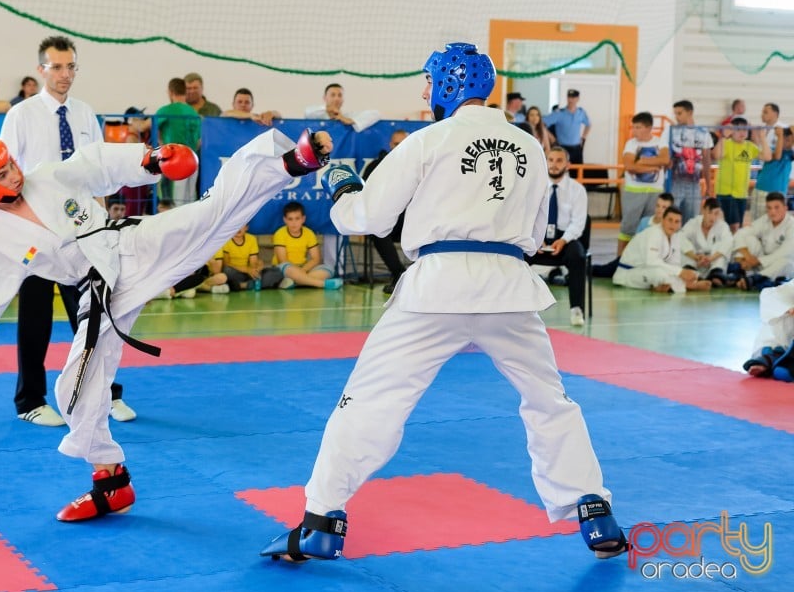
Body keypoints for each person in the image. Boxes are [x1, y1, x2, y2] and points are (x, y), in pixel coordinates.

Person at [259, 42, 627, 563]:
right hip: (509, 287)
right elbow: (532, 230)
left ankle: (321, 520)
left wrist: (342, 187)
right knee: (549, 399)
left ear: (450, 84)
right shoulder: (530, 149)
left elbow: (369, 218)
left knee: (369, 400)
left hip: (438, 287)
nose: (426, 94)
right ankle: (593, 508)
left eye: (429, 84)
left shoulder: (430, 140)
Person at [0, 128, 333, 522]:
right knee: (73, 388)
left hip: (128, 245)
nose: (14, 174)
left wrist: (150, 159)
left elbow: (95, 163)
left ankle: (287, 162)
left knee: (206, 216)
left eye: (10, 164)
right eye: (3, 174)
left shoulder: (47, 176)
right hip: (100, 292)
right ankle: (112, 485)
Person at [0, 35, 131, 426]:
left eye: (71, 66)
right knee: (35, 321)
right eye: (57, 67)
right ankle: (30, 401)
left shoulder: (86, 114)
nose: (65, 74)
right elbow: (3, 175)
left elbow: (98, 172)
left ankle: (104, 394)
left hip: (82, 233)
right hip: (38, 235)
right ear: (41, 69)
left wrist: (104, 224)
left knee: (94, 319)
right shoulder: (21, 115)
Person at [525, 146, 589, 326]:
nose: (554, 164)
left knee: (578, 256)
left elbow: (578, 223)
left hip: (566, 238)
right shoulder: (535, 186)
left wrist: (564, 240)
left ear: (568, 164)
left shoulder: (577, 190)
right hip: (539, 236)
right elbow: (527, 215)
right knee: (517, 253)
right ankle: (521, 309)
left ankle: (576, 309)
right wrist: (536, 236)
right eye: (551, 160)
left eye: (559, 160)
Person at [613, 206, 711, 293]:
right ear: (663, 220)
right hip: (629, 273)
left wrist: (682, 273)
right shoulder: (654, 233)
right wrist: (680, 273)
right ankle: (689, 285)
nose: (673, 224)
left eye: (677, 222)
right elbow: (652, 262)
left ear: (680, 224)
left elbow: (674, 264)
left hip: (648, 269)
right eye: (670, 220)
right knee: (659, 274)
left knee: (680, 273)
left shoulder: (675, 236)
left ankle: (666, 286)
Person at [361, 130, 409, 294]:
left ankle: (421, 278)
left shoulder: (419, 165)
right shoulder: (375, 166)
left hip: (412, 220)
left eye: (403, 143)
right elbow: (364, 193)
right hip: (386, 219)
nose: (400, 147)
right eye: (396, 144)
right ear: (390, 145)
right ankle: (399, 274)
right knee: (377, 231)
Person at [617, 111, 670, 256]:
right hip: (634, 191)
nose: (635, 131)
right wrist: (653, 167)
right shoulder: (631, 143)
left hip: (655, 191)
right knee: (628, 227)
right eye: (634, 127)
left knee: (651, 226)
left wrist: (641, 161)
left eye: (638, 127)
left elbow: (665, 160)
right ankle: (620, 260)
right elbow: (630, 166)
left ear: (648, 128)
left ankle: (646, 258)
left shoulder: (660, 142)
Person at [713, 118, 770, 232]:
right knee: (734, 225)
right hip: (726, 191)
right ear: (731, 131)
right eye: (738, 129)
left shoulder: (749, 146)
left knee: (738, 226)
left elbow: (767, 157)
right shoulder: (727, 143)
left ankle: (733, 246)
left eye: (745, 129)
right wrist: (724, 136)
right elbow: (717, 155)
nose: (742, 133)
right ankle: (733, 247)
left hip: (742, 192)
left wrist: (762, 137)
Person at [731, 191, 794, 291]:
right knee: (749, 238)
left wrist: (758, 261)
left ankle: (753, 279)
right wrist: (748, 257)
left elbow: (785, 252)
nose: (772, 212)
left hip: (781, 266)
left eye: (776, 207)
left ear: (785, 208)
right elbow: (740, 233)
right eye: (769, 208)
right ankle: (742, 272)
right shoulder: (765, 220)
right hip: (761, 263)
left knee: (786, 261)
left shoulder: (791, 225)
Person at [272, 202, 344, 289]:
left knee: (328, 269)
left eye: (297, 218)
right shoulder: (280, 233)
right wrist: (297, 272)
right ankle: (322, 284)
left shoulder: (309, 233)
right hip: (285, 269)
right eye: (290, 219)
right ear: (285, 220)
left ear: (303, 219)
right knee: (286, 267)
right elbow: (282, 260)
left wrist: (302, 271)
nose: (294, 223)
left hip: (303, 268)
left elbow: (316, 258)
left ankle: (294, 282)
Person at [155, 78, 201, 205]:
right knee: (190, 197)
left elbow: (151, 127)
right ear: (185, 92)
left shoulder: (165, 111)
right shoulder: (193, 113)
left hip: (174, 159)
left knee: (176, 201)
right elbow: (199, 140)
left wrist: (160, 142)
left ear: (170, 92)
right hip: (192, 158)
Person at [668, 100, 713, 221]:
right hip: (675, 183)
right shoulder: (671, 131)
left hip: (694, 183)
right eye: (675, 114)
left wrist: (708, 185)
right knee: (672, 218)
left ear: (690, 112)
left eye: (679, 113)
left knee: (692, 221)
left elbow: (707, 161)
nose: (677, 117)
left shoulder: (703, 133)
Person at [681, 198, 733, 287]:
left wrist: (711, 258)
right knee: (683, 248)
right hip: (695, 261)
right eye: (710, 212)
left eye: (716, 213)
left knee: (723, 246)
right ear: (703, 210)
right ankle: (692, 275)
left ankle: (716, 275)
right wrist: (695, 257)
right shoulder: (693, 223)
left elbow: (728, 243)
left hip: (713, 263)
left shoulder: (722, 226)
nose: (713, 217)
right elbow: (680, 238)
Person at [750, 103, 789, 220]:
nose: (762, 114)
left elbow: (776, 156)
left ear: (775, 114)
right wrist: (756, 139)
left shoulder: (784, 131)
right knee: (758, 219)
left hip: (777, 181)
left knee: (773, 220)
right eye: (762, 111)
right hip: (763, 177)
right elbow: (762, 155)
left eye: (766, 112)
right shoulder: (763, 130)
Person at [304, 83, 381, 133]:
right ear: (325, 98)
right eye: (333, 95)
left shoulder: (347, 116)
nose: (336, 98)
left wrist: (350, 120)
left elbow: (376, 114)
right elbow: (307, 112)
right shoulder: (317, 115)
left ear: (343, 99)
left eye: (340, 95)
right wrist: (327, 109)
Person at [543, 89, 590, 167]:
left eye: (573, 98)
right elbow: (542, 124)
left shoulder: (581, 113)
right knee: (561, 170)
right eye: (569, 97)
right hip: (563, 148)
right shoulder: (559, 113)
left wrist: (584, 137)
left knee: (578, 171)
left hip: (577, 148)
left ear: (577, 99)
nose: (570, 100)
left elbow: (588, 124)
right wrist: (551, 137)